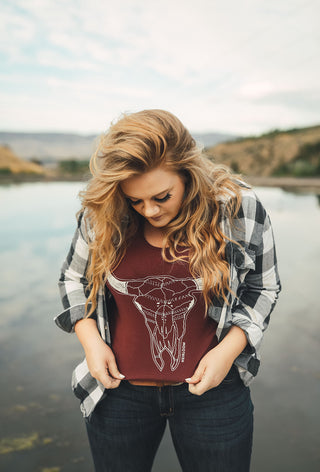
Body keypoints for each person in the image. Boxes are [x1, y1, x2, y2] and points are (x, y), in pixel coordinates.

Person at [55, 109, 281, 472]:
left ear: (188, 173)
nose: (149, 211)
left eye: (162, 196)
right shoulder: (101, 213)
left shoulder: (239, 210)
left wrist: (229, 349)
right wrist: (91, 342)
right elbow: (73, 279)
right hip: (117, 394)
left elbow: (264, 286)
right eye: (135, 200)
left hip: (214, 393)